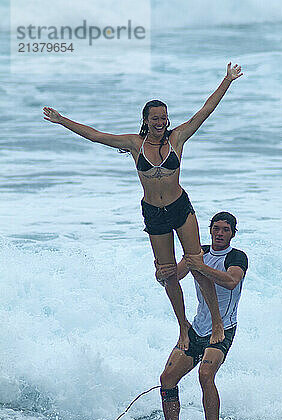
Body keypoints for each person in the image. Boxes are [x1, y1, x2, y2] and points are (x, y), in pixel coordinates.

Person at [42, 62, 243, 351]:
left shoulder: (178, 137)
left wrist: (227, 80)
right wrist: (63, 120)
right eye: (155, 118)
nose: (161, 122)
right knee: (167, 272)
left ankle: (216, 322)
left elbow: (205, 111)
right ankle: (183, 326)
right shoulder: (135, 144)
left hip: (179, 208)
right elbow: (96, 135)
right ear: (146, 120)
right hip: (153, 213)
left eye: (164, 117)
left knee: (197, 263)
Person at [148, 212, 248, 420]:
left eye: (225, 229)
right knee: (167, 378)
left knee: (205, 375)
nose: (220, 233)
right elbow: (177, 276)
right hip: (197, 328)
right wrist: (161, 274)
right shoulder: (199, 253)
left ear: (233, 233)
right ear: (210, 230)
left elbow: (230, 281)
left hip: (223, 328)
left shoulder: (236, 257)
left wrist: (200, 267)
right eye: (216, 228)